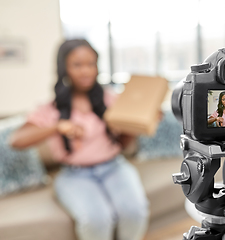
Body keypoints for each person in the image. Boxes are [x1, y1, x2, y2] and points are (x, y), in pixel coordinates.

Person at [10, 39, 149, 240]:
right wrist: (57, 126)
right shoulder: (51, 109)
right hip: (74, 175)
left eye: (91, 64)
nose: (86, 71)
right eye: (77, 65)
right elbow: (16, 140)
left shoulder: (110, 99)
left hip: (114, 167)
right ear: (64, 68)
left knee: (135, 212)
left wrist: (137, 125)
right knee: (97, 220)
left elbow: (124, 144)